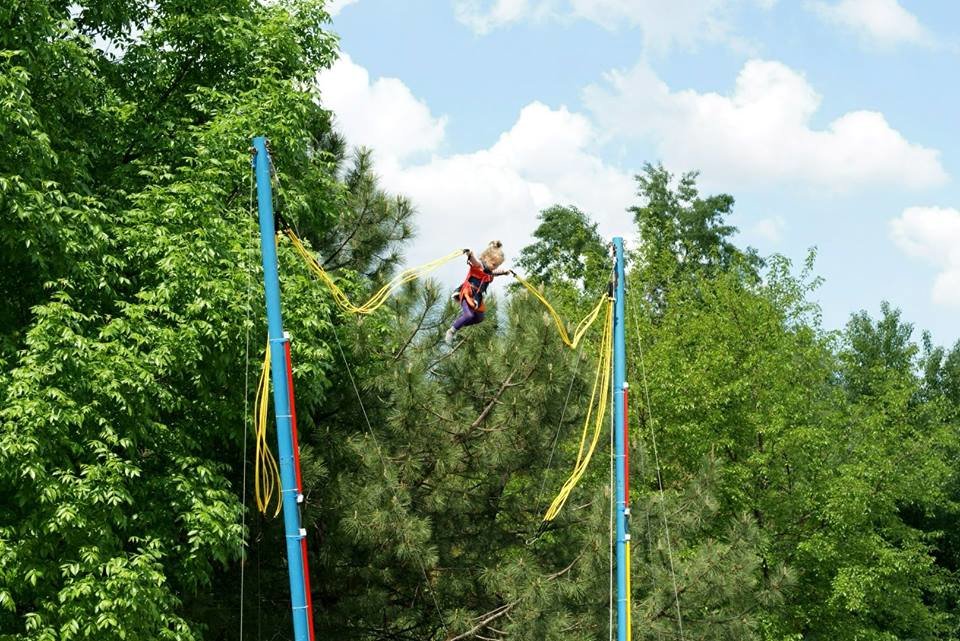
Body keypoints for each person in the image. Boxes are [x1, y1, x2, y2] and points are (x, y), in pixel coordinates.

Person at [445, 241, 512, 345]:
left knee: (479, 318)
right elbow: (474, 260)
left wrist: (505, 272)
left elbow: (496, 272)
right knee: (469, 315)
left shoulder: (490, 272)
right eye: (494, 264)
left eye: (497, 265)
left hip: (477, 296)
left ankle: (459, 323)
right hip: (468, 292)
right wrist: (469, 253)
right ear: (485, 258)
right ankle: (452, 330)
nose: (494, 267)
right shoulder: (479, 266)